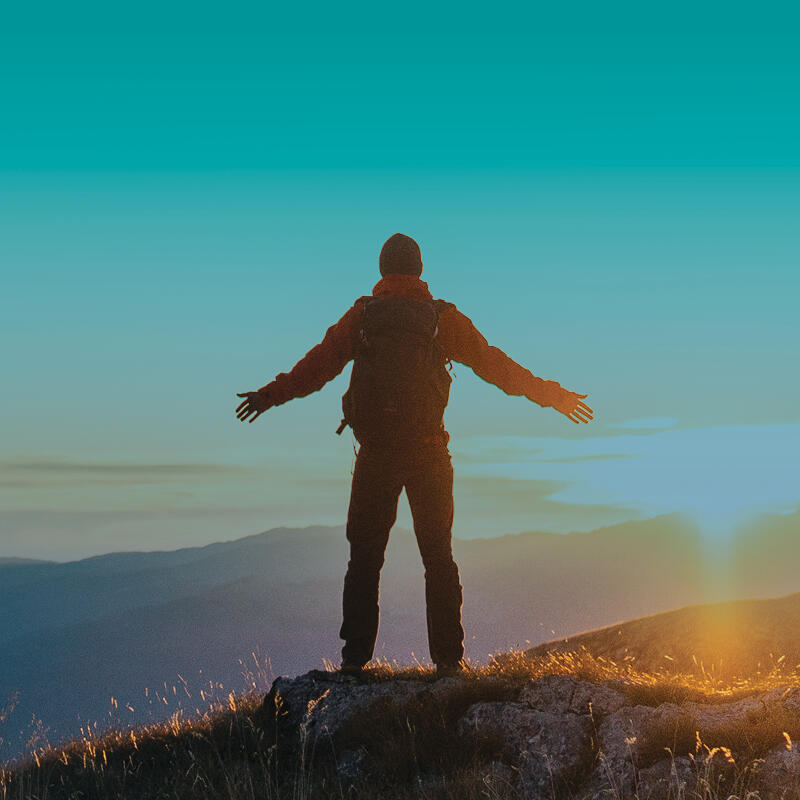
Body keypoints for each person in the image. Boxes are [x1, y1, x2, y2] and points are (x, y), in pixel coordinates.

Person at [235, 233, 593, 677]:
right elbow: (497, 366)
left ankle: (354, 662)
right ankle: (448, 662)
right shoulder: (442, 320)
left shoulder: (363, 316)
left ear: (383, 270)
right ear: (420, 270)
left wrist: (270, 395)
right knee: (438, 557)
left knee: (364, 559)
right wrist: (554, 397)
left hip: (376, 456)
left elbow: (317, 367)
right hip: (429, 454)